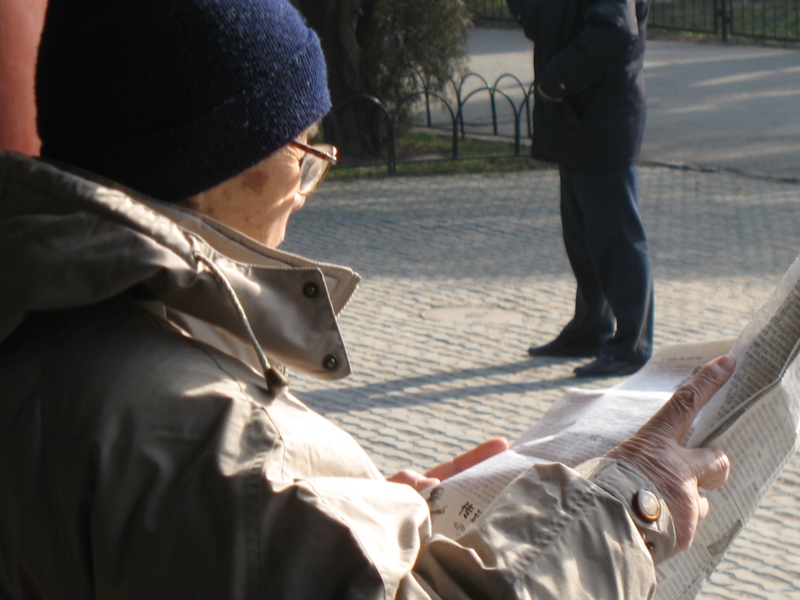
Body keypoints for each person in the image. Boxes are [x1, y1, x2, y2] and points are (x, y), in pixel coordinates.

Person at [0, 0, 732, 597]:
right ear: (207, 167)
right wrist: (633, 506)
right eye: (302, 153)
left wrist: (355, 511)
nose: (305, 192)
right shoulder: (208, 440)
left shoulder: (57, 324)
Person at [507, 0, 655, 377]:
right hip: (576, 119)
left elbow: (616, 31)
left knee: (615, 238)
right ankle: (590, 328)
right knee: (583, 236)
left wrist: (557, 78)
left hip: (603, 117)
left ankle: (631, 346)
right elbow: (546, 22)